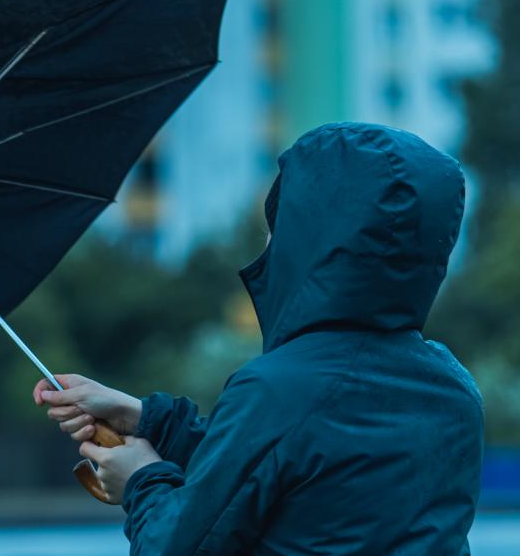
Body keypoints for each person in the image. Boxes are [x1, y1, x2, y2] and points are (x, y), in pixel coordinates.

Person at [34, 122, 484, 554]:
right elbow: (293, 464)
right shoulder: (454, 391)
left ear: (309, 240)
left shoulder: (278, 391)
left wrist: (140, 481)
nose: (268, 240)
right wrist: (148, 420)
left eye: (279, 225)